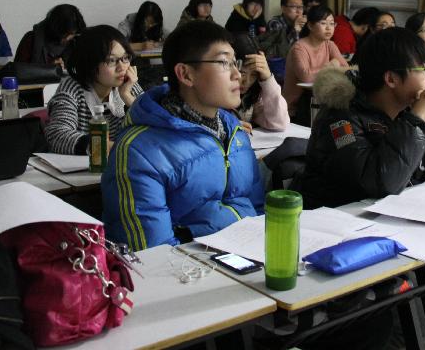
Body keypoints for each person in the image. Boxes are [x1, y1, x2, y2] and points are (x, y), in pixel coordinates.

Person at [301, 27, 425, 349]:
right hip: (355, 245)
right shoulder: (340, 119)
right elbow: (379, 181)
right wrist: (416, 120)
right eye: (422, 70)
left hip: (410, 235)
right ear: (391, 79)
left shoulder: (411, 113)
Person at [102, 21, 264, 250]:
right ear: (185, 74)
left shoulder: (235, 132)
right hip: (192, 267)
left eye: (234, 62)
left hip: (250, 255)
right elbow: (153, 254)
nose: (238, 74)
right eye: (223, 63)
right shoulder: (138, 151)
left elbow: (258, 212)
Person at [45, 25, 142, 155]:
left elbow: (156, 128)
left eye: (125, 58)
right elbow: (57, 135)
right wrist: (105, 147)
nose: (122, 67)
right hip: (85, 165)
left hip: (126, 162)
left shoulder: (128, 84)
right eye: (111, 60)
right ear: (90, 63)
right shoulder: (72, 88)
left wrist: (127, 97)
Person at [283, 6, 349, 114]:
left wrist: (336, 67)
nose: (329, 28)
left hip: (320, 102)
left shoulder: (329, 44)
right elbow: (306, 77)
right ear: (310, 25)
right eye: (323, 23)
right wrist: (330, 66)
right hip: (296, 107)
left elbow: (347, 69)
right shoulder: (299, 47)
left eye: (332, 24)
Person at [231, 34, 288, 132]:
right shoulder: (214, 95)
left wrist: (267, 79)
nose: (247, 81)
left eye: (254, 74)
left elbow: (279, 123)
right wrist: (228, 124)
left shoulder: (254, 95)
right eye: (242, 72)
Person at [15, 4, 86, 67]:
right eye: (65, 34)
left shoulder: (75, 42)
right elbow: (19, 71)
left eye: (72, 34)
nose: (67, 38)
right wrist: (48, 69)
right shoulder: (31, 40)